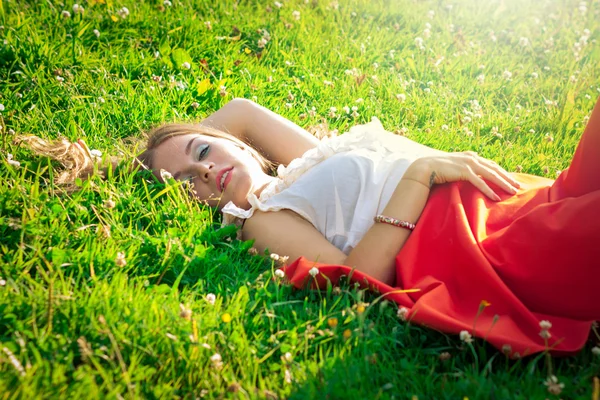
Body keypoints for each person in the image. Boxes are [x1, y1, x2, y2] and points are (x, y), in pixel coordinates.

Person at [19, 97, 600, 357]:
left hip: (507, 199)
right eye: (186, 181)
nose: (206, 171)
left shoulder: (304, 162)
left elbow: (240, 114)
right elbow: (356, 274)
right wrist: (419, 175)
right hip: (476, 247)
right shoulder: (261, 218)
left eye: (204, 151)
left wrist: (124, 158)